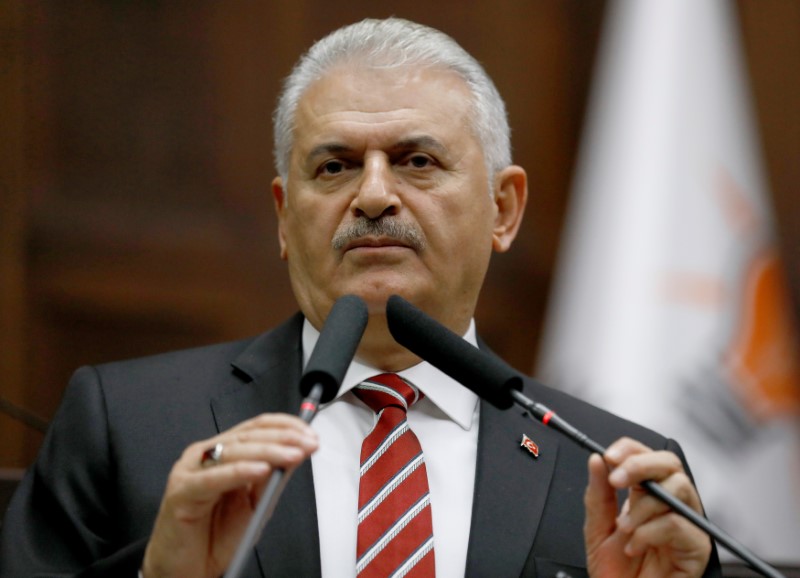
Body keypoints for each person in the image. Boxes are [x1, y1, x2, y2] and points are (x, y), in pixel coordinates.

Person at [0, 17, 721, 578]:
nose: (374, 194)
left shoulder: (617, 478)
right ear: (285, 217)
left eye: (417, 160)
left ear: (504, 209)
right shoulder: (128, 429)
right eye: (336, 165)